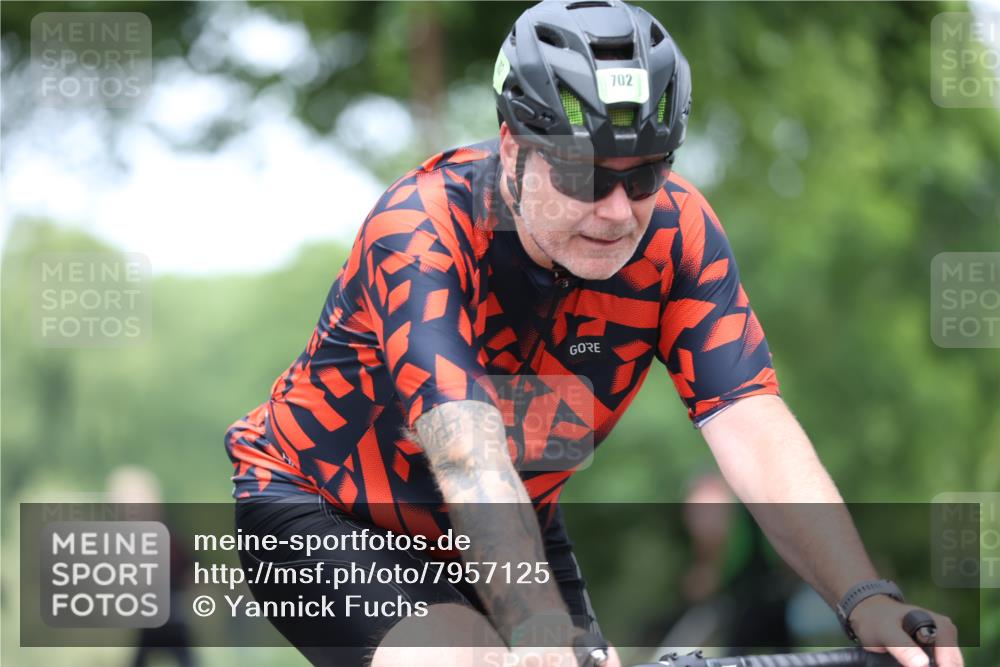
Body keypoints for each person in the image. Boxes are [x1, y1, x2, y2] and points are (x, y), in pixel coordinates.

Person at [224, 2, 963, 666]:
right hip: (323, 511)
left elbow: (750, 421)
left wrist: (866, 598)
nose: (617, 210)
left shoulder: (677, 231)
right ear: (513, 149)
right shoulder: (420, 231)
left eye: (644, 175)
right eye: (584, 175)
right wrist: (539, 631)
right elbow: (469, 459)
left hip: (515, 519)